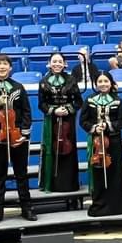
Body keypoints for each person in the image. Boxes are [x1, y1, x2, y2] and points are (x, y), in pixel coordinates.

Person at [0, 54, 36, 225]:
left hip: (17, 134)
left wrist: (23, 133)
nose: (2, 67)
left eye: (5, 64)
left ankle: (27, 207)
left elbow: (26, 111)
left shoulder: (18, 87)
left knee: (21, 173)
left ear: (10, 68)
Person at [80, 71, 122, 216]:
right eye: (100, 81)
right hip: (96, 143)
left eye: (106, 81)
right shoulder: (89, 100)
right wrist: (95, 127)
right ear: (96, 84)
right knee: (98, 172)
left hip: (113, 141)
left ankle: (117, 205)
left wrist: (108, 126)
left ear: (111, 83)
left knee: (115, 172)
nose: (103, 84)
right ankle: (100, 203)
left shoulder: (118, 100)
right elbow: (83, 121)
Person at [38, 52, 83, 194]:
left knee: (69, 149)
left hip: (68, 119)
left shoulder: (71, 80)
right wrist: (54, 110)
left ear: (65, 64)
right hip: (51, 119)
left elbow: (78, 101)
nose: (57, 64)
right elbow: (41, 104)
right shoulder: (43, 82)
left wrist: (68, 109)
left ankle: (69, 184)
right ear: (49, 63)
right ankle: (51, 184)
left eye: (59, 61)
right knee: (51, 148)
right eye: (54, 61)